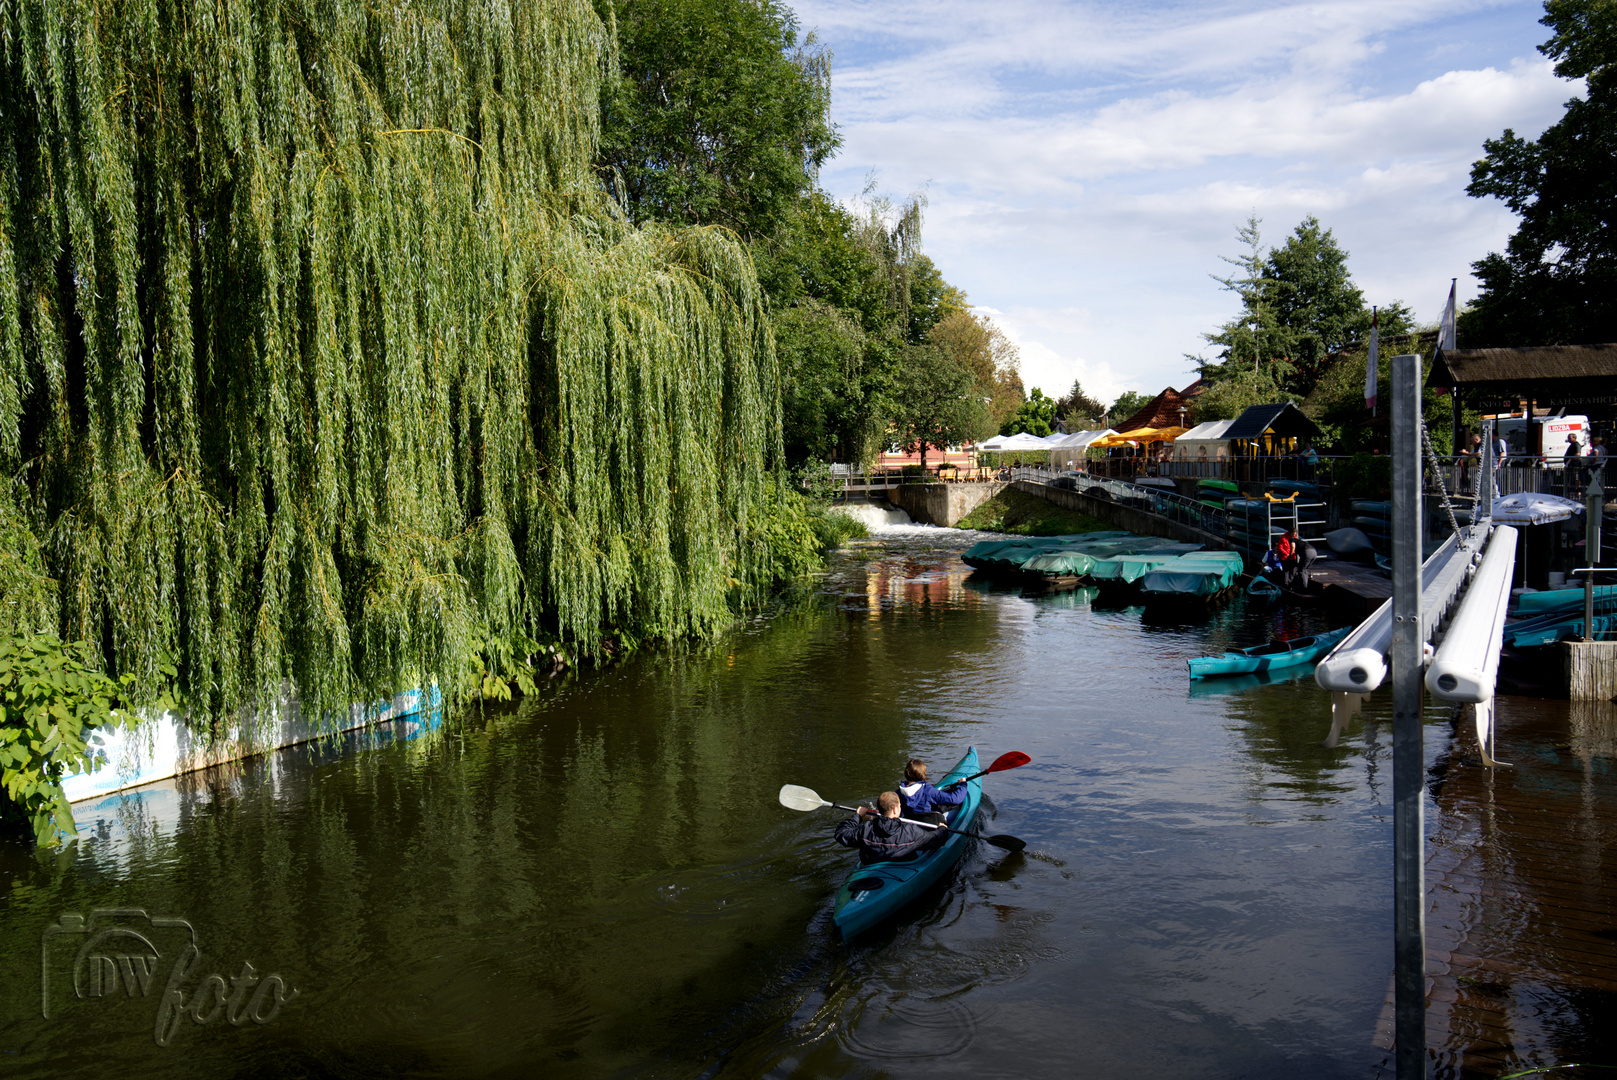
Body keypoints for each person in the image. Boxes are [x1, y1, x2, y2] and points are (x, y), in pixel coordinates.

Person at [833, 791, 944, 865]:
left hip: (871, 866)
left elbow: (841, 833)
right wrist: (942, 829)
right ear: (895, 810)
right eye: (899, 806)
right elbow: (937, 840)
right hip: (903, 867)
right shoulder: (911, 831)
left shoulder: (865, 829)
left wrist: (857, 816)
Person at [897, 759, 966, 823]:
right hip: (932, 824)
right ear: (922, 774)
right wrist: (963, 784)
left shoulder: (899, 792)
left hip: (913, 826)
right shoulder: (928, 790)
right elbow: (955, 799)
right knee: (957, 811)